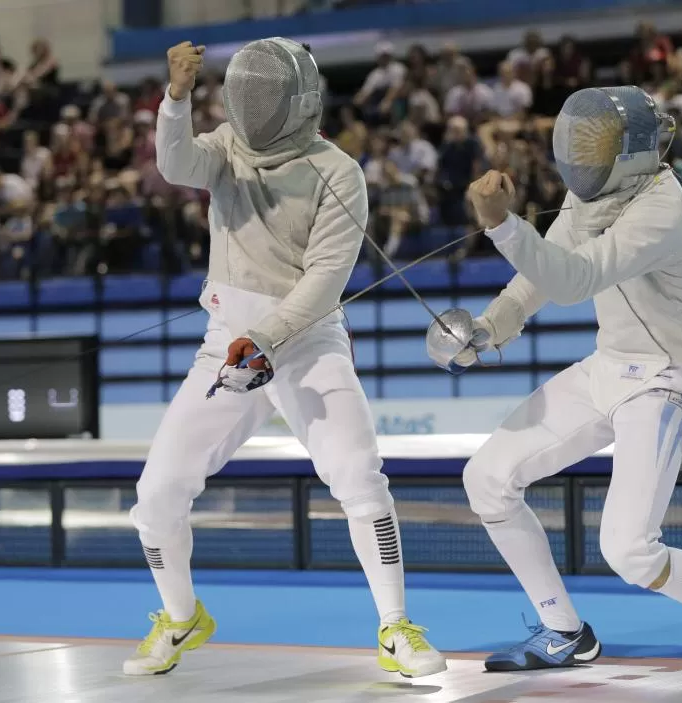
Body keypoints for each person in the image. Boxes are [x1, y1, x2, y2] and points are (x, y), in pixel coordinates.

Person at [426, 86, 682, 685]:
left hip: (668, 380)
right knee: (487, 478)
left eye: (595, 144)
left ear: (631, 151)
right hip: (611, 366)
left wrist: (501, 227)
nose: (582, 155)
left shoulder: (662, 209)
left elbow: (576, 279)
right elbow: (539, 278)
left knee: (630, 551)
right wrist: (489, 329)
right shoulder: (588, 196)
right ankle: (565, 632)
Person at [123, 38, 446, 680]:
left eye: (269, 96)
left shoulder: (338, 170)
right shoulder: (224, 147)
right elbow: (175, 164)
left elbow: (325, 278)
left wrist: (266, 337)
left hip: (307, 342)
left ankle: (393, 628)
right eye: (249, 94)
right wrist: (176, 99)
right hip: (227, 345)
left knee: (359, 478)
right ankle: (181, 617)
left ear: (298, 101)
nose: (256, 107)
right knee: (156, 494)